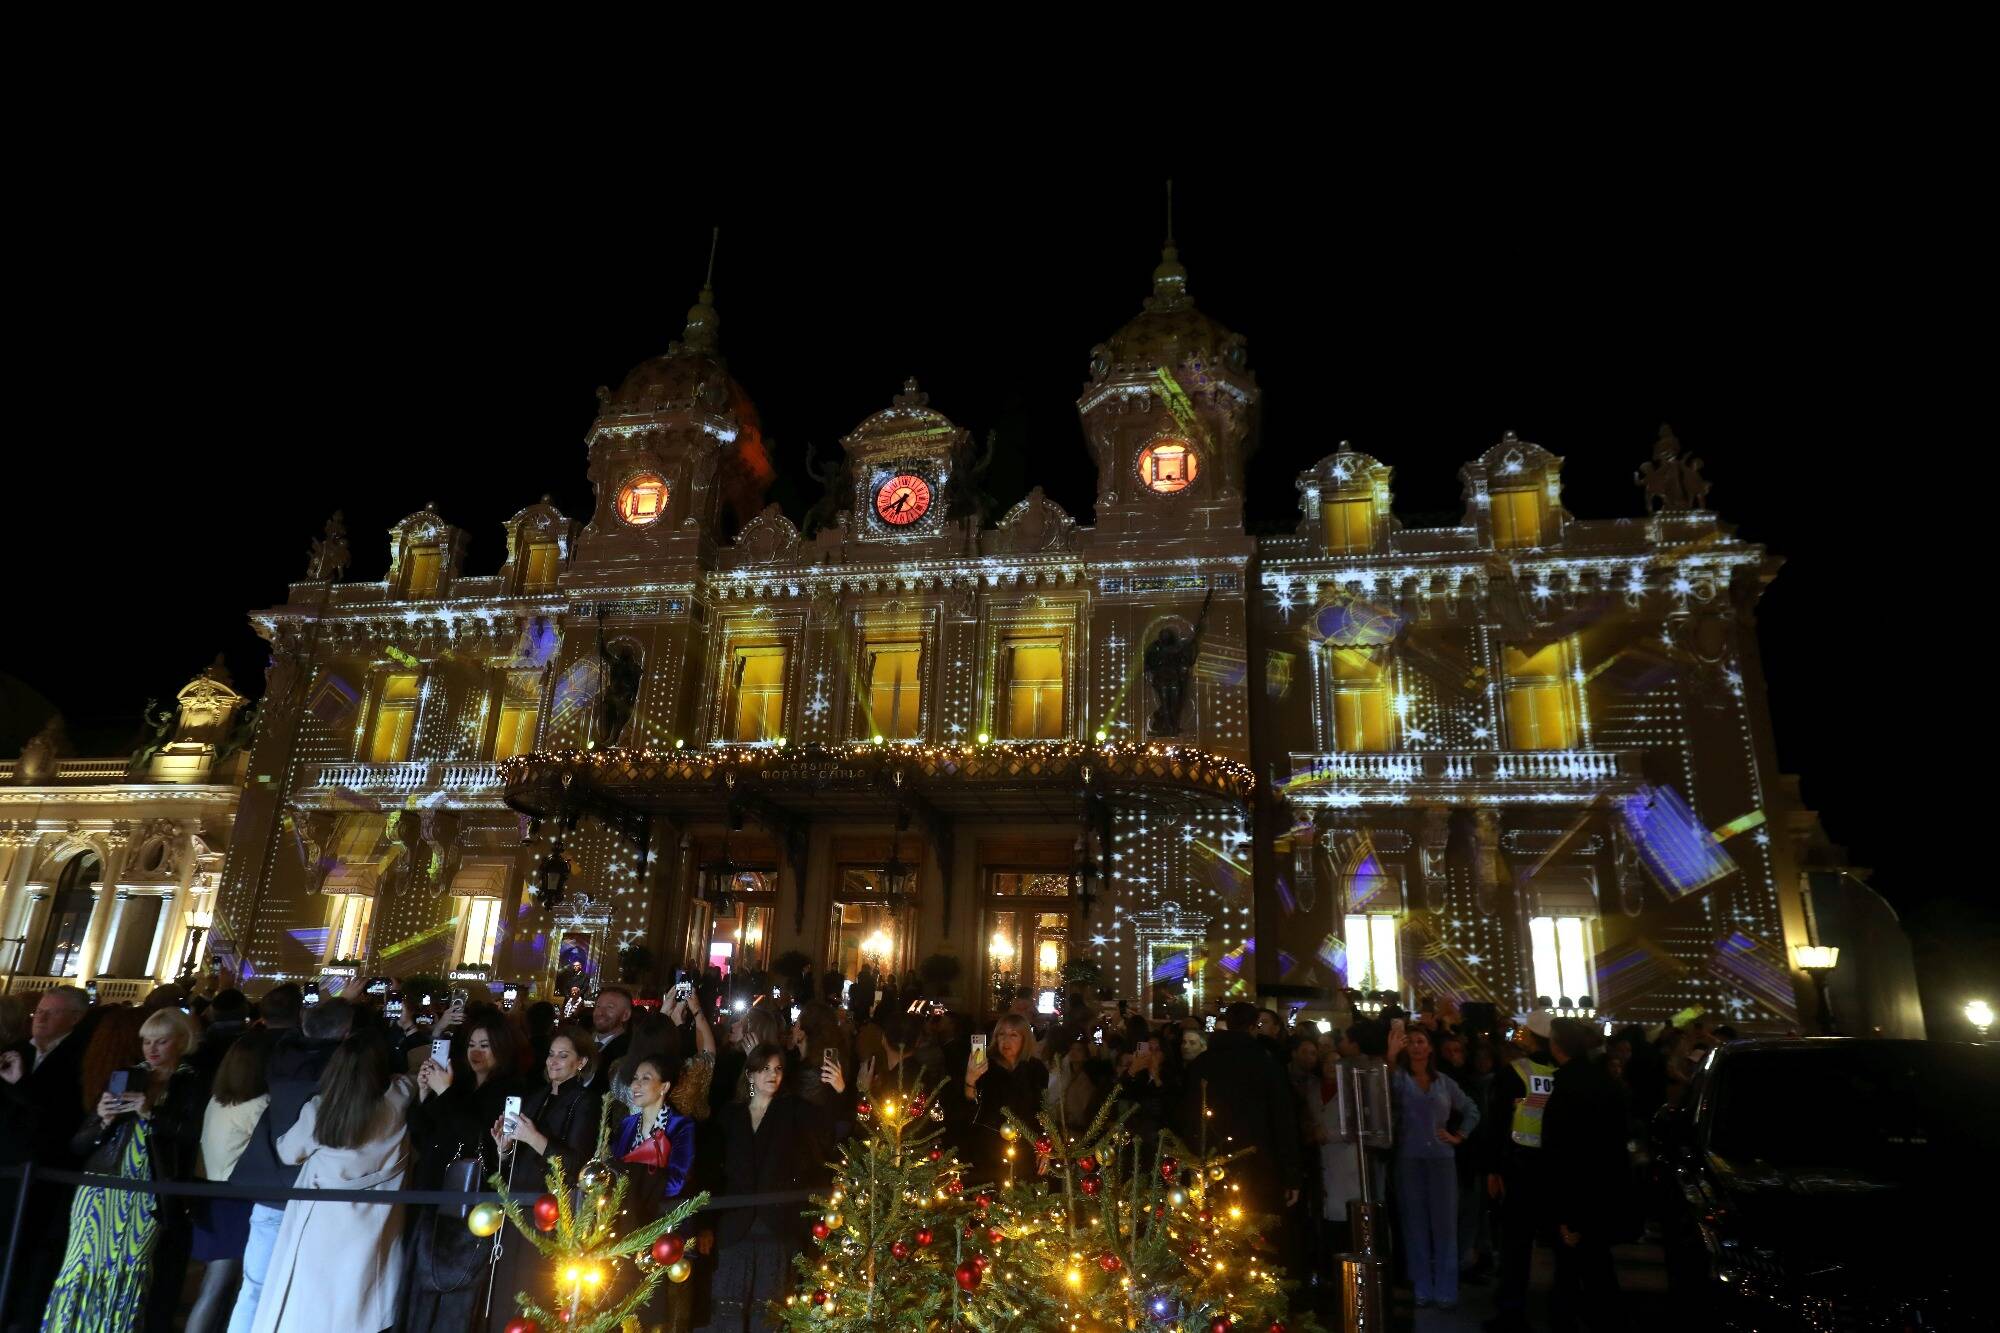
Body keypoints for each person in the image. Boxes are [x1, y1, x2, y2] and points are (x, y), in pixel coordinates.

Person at [42, 1006, 202, 1333]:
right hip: (99, 1186)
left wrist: (152, 1114)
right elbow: (79, 1144)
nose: (151, 1049)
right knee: (80, 1264)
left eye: (161, 1041)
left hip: (148, 1192)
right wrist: (102, 1120)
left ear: (182, 1041)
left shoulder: (192, 1083)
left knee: (130, 1268)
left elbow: (192, 1135)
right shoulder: (125, 1076)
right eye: (146, 1041)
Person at [250, 1032, 415, 1333]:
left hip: (322, 1219)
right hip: (375, 1220)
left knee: (313, 1300)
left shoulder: (321, 1110)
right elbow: (409, 1080)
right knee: (359, 1299)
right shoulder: (398, 1101)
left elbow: (288, 1152)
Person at [224, 996, 355, 1333]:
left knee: (254, 1288)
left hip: (271, 1185)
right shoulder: (340, 1073)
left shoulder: (282, 1057)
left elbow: (295, 1032)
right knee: (303, 1291)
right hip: (314, 1192)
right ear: (347, 1034)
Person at [399, 1012, 529, 1333]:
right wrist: (425, 1094)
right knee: (421, 1285)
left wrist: (444, 1093)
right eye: (472, 1044)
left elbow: (479, 1138)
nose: (476, 1052)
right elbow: (423, 1135)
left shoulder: (511, 1092)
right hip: (434, 1194)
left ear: (502, 1048)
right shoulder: (462, 1085)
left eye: (485, 1045)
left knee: (456, 1290)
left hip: (471, 1205)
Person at [704, 1042, 839, 1332]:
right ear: (750, 1074)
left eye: (778, 1069)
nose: (772, 1075)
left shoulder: (793, 1110)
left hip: (777, 1226)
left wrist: (839, 1091)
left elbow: (827, 1134)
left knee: (769, 1312)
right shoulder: (730, 1114)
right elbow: (713, 1169)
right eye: (765, 1068)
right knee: (727, 1309)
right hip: (734, 1225)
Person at [485, 1027, 603, 1333]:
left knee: (535, 1286)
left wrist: (534, 1138)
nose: (554, 1061)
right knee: (506, 1284)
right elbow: (512, 1159)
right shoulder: (535, 1097)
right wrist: (504, 1147)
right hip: (517, 1204)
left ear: (581, 1062)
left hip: (551, 1212)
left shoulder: (585, 1102)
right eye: (551, 1054)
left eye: (563, 1056)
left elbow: (576, 1164)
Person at [3, 986, 90, 1333]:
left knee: (31, 1250)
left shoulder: (81, 1058)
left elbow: (62, 1118)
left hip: (46, 1173)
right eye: (39, 1011)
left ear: (75, 1018)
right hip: (8, 1167)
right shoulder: (17, 1050)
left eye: (52, 1013)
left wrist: (22, 1086)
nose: (40, 1018)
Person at [1543, 1018, 1630, 1333]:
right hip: (1601, 1192)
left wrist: (1569, 1214)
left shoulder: (1570, 1087)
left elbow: (1568, 1152)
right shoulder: (1600, 1081)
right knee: (1593, 1266)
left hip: (1580, 1197)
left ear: (1557, 1045)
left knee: (1583, 1268)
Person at [187, 1028, 277, 1333]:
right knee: (223, 1285)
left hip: (211, 1193)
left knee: (214, 1284)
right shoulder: (261, 1105)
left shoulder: (217, 1100)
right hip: (236, 1199)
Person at [1390, 1026, 1481, 1310]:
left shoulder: (1444, 1082)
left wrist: (1459, 1135)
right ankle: (1422, 1287)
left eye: (1421, 1041)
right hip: (1409, 1158)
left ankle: (1445, 1289)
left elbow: (1472, 1109)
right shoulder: (1399, 1078)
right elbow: (1384, 1094)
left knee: (1445, 1225)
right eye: (1412, 1042)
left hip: (1442, 1159)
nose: (1417, 1047)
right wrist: (1391, 1057)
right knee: (1414, 1223)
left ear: (1430, 1048)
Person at [1481, 1008, 1559, 1333]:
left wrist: (1492, 1169)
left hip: (1519, 1167)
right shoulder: (1563, 1073)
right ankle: (1560, 1311)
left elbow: (1497, 1123)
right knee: (1559, 1243)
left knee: (1516, 1245)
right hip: (1555, 1168)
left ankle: (1511, 1311)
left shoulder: (1515, 1072)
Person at [965, 1013, 1048, 1182]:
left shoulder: (1035, 1069)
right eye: (1001, 1034)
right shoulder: (986, 1065)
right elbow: (970, 1104)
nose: (1005, 1040)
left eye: (1013, 1035)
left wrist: (1043, 1147)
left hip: (1025, 1144)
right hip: (990, 1144)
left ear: (1024, 1039)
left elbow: (1041, 1110)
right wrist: (970, 1079)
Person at [588, 986, 635, 1087]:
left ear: (625, 1015)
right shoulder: (579, 1042)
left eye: (610, 1007)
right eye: (598, 1006)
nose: (600, 1012)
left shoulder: (628, 1052)